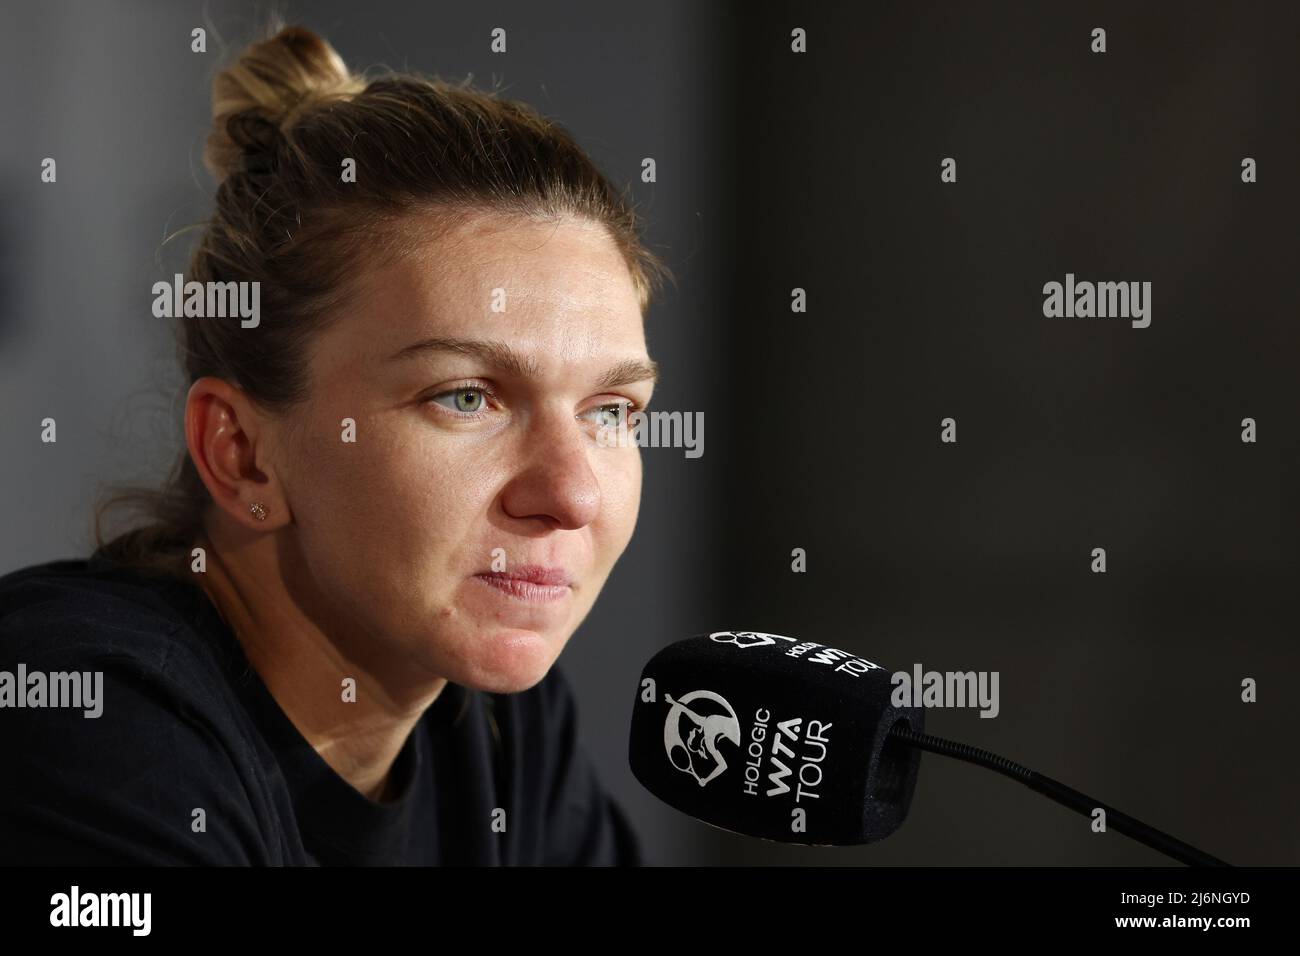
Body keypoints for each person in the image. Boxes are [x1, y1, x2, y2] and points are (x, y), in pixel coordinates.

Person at [0, 21, 671, 866]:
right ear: (243, 453)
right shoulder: (84, 719)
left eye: (611, 412)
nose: (573, 494)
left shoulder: (501, 733)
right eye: (468, 398)